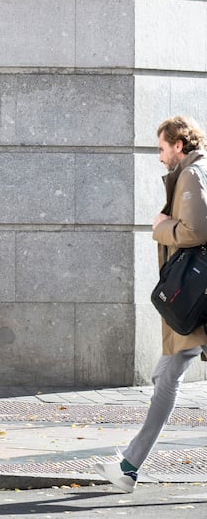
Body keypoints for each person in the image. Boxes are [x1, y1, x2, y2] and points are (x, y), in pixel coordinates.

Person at [95, 116, 207, 493]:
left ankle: (129, 467)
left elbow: (196, 231)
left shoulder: (192, 175)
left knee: (166, 378)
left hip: (194, 300)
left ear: (178, 145)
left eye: (161, 149)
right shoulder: (197, 171)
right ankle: (129, 466)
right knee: (165, 376)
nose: (159, 157)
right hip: (196, 300)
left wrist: (160, 226)